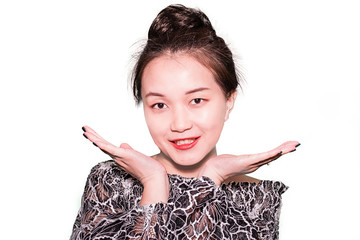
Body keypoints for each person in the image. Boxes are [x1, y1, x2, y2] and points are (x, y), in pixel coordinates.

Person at [70, 4, 300, 240]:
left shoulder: (254, 199)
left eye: (197, 100)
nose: (179, 124)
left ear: (228, 101)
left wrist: (210, 179)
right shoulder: (110, 182)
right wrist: (153, 183)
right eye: (160, 105)